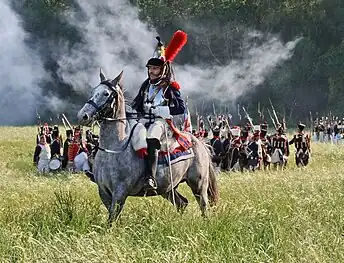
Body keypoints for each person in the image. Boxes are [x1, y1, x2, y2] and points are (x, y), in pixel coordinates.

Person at [131, 31, 188, 190]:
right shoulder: (146, 85)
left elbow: (180, 108)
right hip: (144, 120)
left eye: (155, 68)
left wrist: (159, 110)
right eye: (150, 68)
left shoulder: (170, 87)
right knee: (130, 133)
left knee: (152, 138)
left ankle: (150, 177)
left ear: (162, 70)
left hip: (161, 122)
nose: (151, 71)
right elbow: (137, 103)